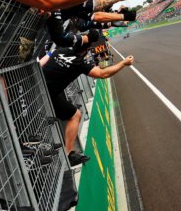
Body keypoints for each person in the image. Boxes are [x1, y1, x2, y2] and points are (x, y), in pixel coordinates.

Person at [39, 31, 134, 166]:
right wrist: (123, 63)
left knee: (67, 105)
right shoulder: (79, 62)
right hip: (49, 94)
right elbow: (102, 74)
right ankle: (67, 155)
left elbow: (42, 63)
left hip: (39, 87)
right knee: (75, 115)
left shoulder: (60, 50)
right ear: (85, 51)